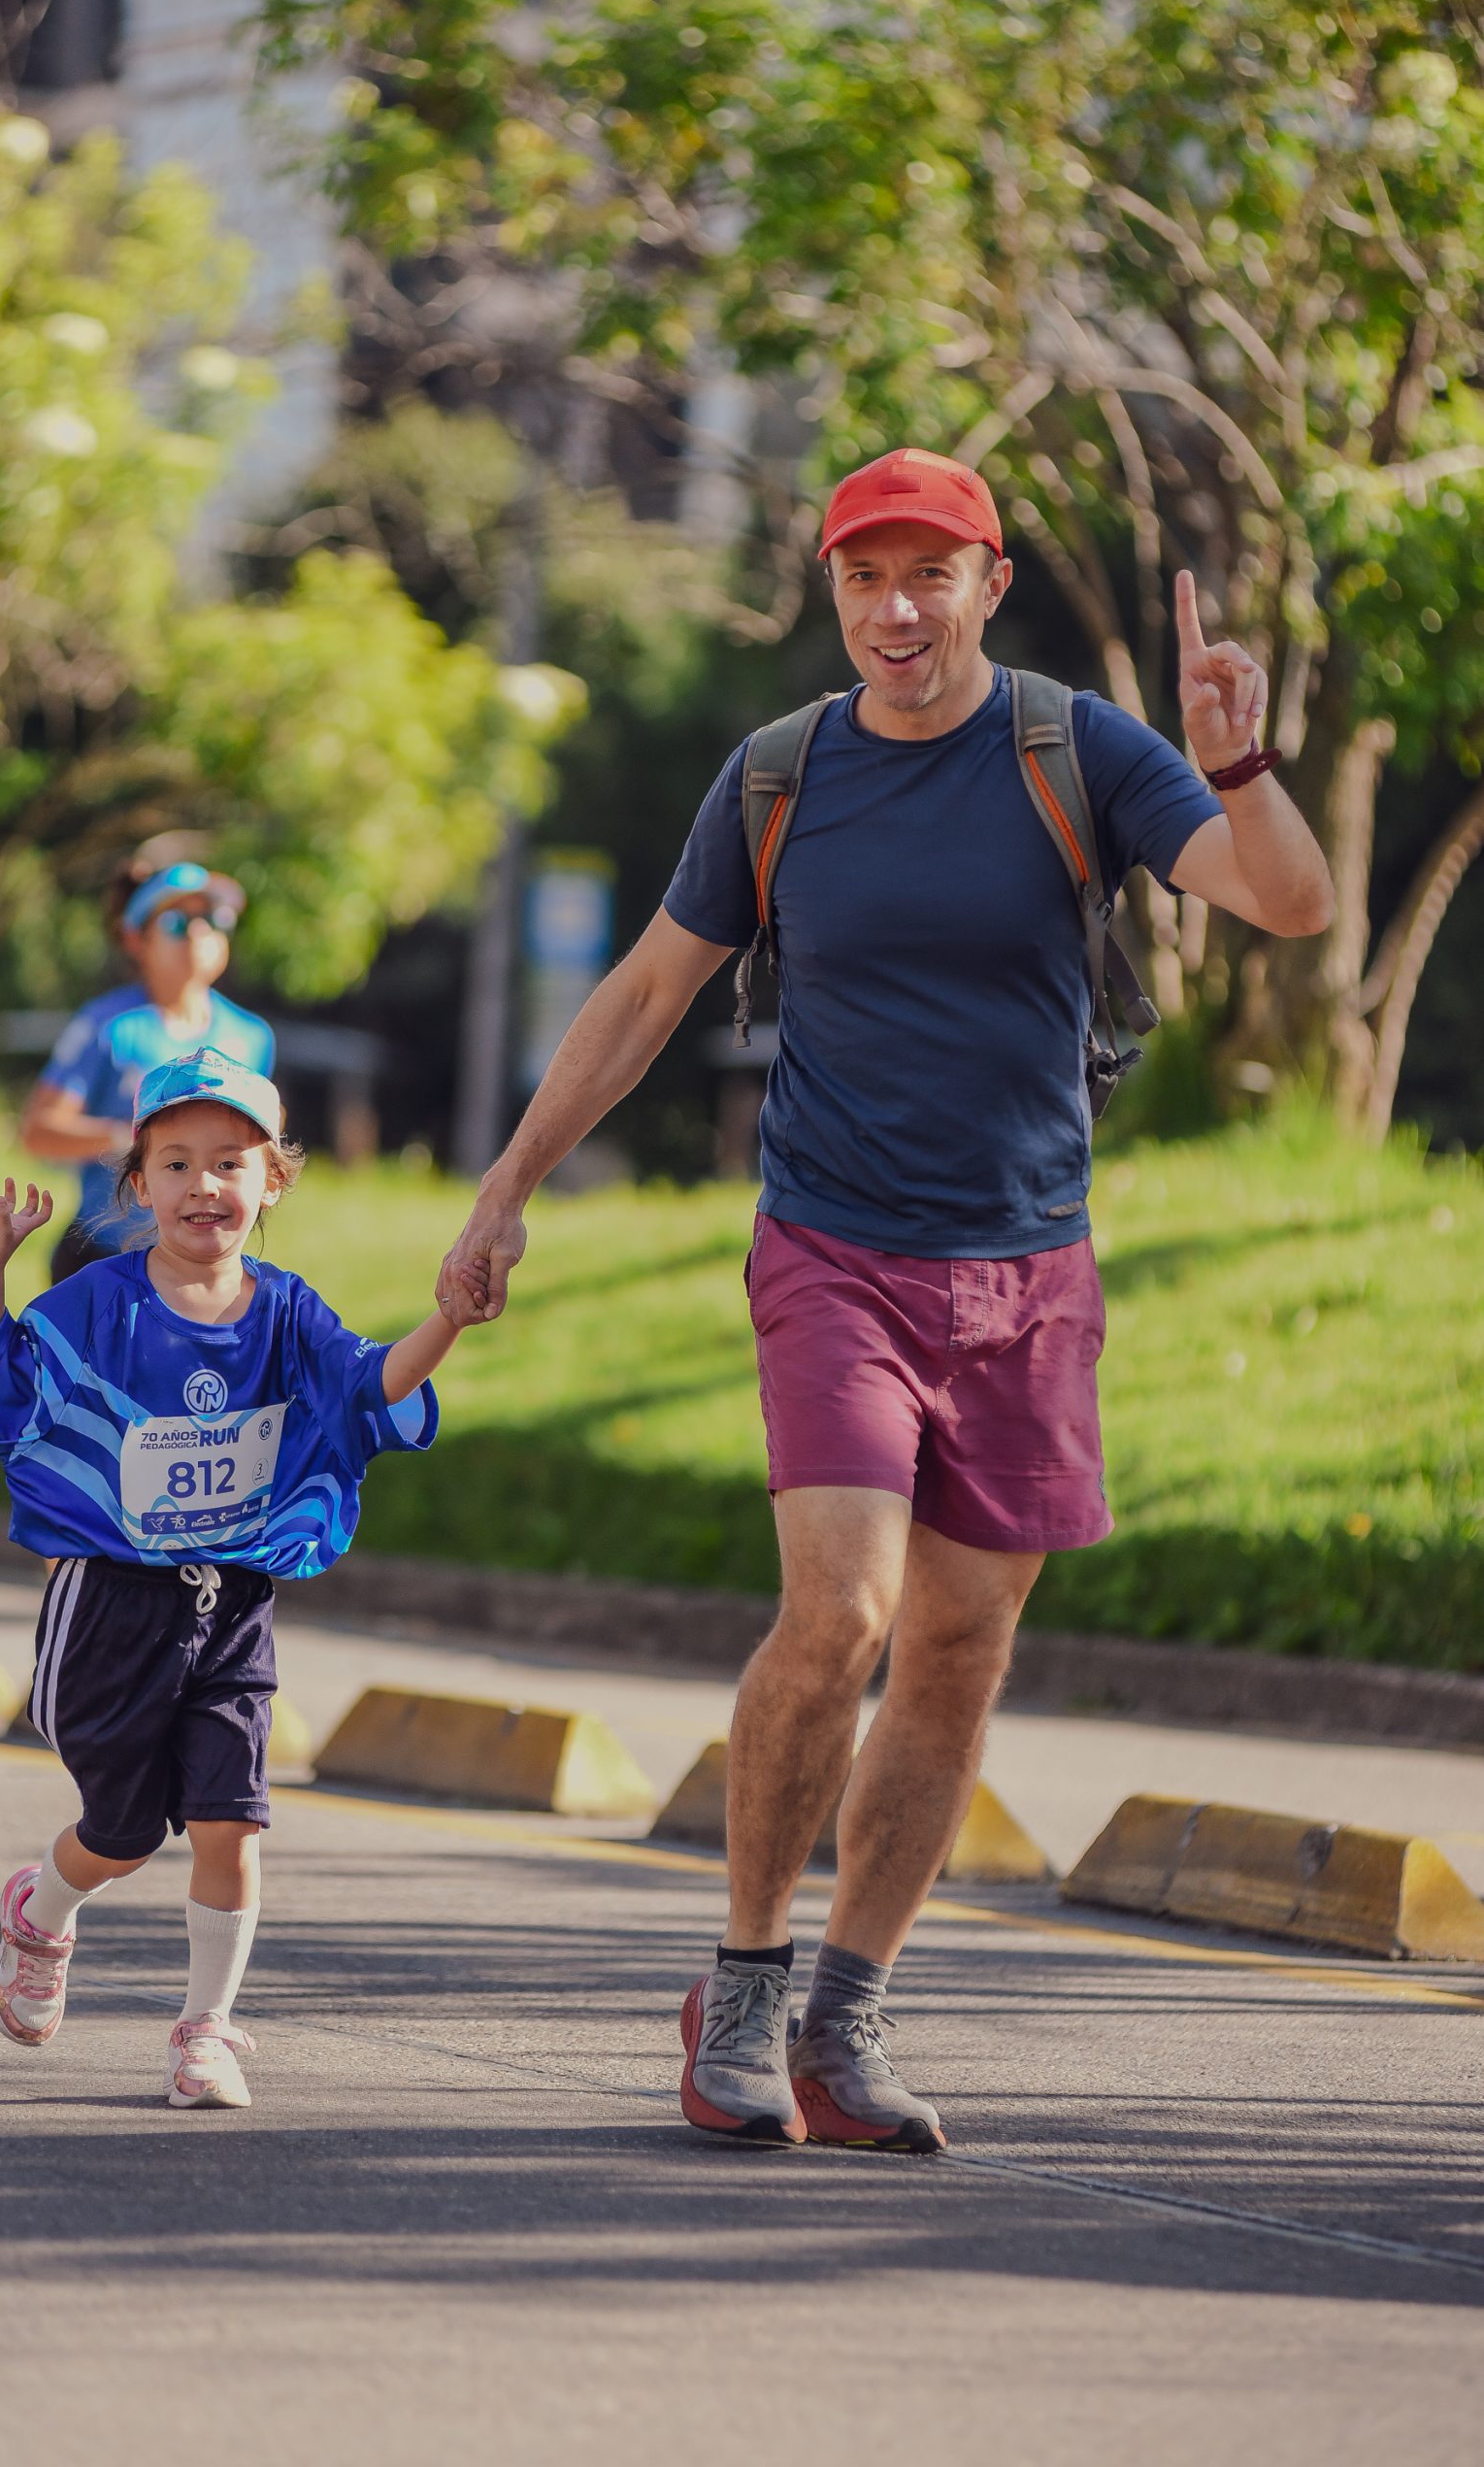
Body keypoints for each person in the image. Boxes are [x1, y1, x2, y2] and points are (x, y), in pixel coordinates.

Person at [436, 448, 1334, 2154]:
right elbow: (648, 991)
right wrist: (508, 1185)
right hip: (832, 1251)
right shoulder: (780, 773)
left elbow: (1288, 903)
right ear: (832, 592)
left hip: (1026, 1271)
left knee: (957, 1648)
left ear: (989, 585)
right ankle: (743, 1984)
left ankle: (844, 2016)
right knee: (841, 1615)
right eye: (864, 577)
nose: (895, 609)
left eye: (929, 574)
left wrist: (1237, 763)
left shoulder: (1076, 749)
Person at [0, 1049, 478, 2111]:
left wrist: (450, 1318)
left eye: (230, 1162)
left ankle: (204, 2031)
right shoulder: (97, 1304)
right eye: (177, 1163)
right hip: (111, 1604)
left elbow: (370, 1387)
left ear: (271, 1180)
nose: (203, 1185)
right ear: (138, 1183)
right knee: (123, 1833)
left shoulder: (288, 1313)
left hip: (231, 1604)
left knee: (234, 1821)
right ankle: (42, 1914)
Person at [21, 846, 275, 1284]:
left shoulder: (252, 1037)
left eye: (214, 919)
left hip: (204, 1263)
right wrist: (138, 1141)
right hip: (102, 1258)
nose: (198, 933)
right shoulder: (109, 1027)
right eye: (177, 922)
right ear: (136, 939)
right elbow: (39, 1131)